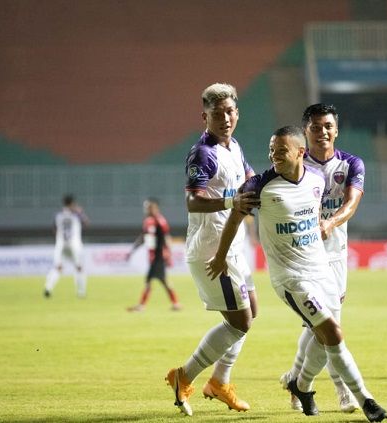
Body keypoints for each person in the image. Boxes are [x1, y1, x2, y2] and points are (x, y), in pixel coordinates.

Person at [206, 126, 387, 422]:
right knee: (332, 332)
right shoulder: (259, 187)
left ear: (300, 152)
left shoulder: (316, 180)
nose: (273, 156)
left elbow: (314, 216)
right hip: (291, 278)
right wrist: (221, 255)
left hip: (322, 270)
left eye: (281, 151)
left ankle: (300, 385)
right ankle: (365, 399)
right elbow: (235, 218)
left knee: (321, 337)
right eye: (271, 150)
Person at [165, 82, 260, 416]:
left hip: (235, 244)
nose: (225, 118)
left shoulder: (234, 147)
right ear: (204, 116)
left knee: (251, 311)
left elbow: (249, 178)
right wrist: (232, 200)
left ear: (237, 112)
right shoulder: (203, 152)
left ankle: (219, 382)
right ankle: (184, 376)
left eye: (230, 111)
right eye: (217, 113)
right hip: (211, 248)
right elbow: (193, 201)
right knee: (240, 322)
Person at [279, 103, 365, 413]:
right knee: (330, 325)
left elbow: (352, 203)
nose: (322, 132)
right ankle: (342, 392)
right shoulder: (296, 166)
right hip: (303, 257)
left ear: (336, 130)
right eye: (315, 127)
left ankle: (295, 379)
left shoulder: (351, 164)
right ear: (306, 131)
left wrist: (329, 222)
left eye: (328, 126)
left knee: (317, 328)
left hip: (335, 256)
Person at [125, 197, 181, 312]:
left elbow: (166, 237)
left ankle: (142, 305)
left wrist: (168, 254)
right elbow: (143, 237)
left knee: (149, 280)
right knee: (163, 280)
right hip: (153, 256)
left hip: (159, 256)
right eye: (145, 207)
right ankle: (176, 303)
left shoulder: (160, 221)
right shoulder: (148, 221)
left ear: (155, 207)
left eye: (148, 207)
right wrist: (133, 250)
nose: (146, 209)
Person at [43, 194, 88, 299]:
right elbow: (86, 223)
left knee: (58, 267)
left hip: (61, 244)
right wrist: (80, 212)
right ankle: (81, 292)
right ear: (72, 203)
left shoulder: (58, 215)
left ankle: (48, 288)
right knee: (79, 268)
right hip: (74, 244)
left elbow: (54, 228)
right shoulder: (76, 215)